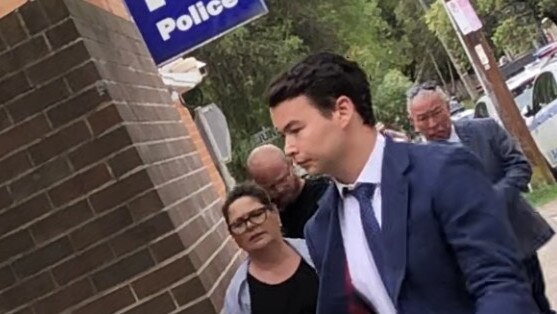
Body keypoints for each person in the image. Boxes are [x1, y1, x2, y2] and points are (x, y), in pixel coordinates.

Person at [266, 52, 539, 314]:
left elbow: (500, 284)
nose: (288, 148)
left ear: (342, 110)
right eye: (283, 136)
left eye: (295, 130)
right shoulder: (321, 229)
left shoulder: (443, 171)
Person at [407, 81, 555, 314]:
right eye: (423, 118)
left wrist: (492, 199)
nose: (433, 123)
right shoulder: (414, 164)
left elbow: (519, 166)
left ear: (448, 107)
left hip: (515, 238)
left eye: (437, 113)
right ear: (413, 123)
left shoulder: (484, 130)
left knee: (537, 302)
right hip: (471, 261)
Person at [223, 182, 319, 314]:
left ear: (276, 214)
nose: (250, 226)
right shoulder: (237, 297)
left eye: (256, 214)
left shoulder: (319, 251)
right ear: (234, 237)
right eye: (239, 224)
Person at [247, 144, 329, 238]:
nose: (279, 189)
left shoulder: (324, 197)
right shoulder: (267, 215)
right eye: (271, 187)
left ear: (290, 164)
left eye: (283, 180)